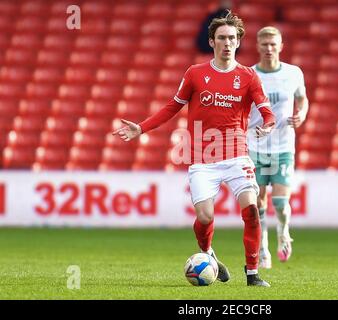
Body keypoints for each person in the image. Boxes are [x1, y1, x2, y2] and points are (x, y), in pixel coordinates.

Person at [113, 12, 275, 287]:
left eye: (232, 38)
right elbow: (172, 107)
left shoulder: (248, 77)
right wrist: (141, 127)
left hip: (237, 154)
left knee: (251, 209)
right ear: (212, 41)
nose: (227, 43)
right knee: (205, 216)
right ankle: (208, 253)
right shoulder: (195, 73)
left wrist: (269, 125)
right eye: (222, 38)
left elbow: (267, 111)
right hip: (203, 157)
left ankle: (252, 274)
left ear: (238, 42)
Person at [247, 26, 309, 269]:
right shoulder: (249, 74)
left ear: (281, 46)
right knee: (257, 203)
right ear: (258, 46)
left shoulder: (293, 73)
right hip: (255, 147)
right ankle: (262, 249)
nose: (269, 49)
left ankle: (283, 232)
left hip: (283, 146)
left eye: (273, 44)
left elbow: (302, 98)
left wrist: (301, 113)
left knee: (281, 204)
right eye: (265, 44)